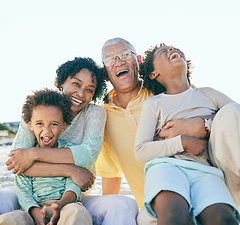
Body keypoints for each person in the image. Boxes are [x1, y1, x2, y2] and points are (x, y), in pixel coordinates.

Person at [96, 37, 240, 224]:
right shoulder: (104, 116)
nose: (119, 61)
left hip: (203, 174)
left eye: (125, 55)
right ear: (105, 73)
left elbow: (227, 119)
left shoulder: (162, 91)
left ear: (138, 61)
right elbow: (111, 175)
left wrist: (203, 124)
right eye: (111, 59)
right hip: (157, 200)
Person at [1, 56, 138, 225]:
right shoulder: (37, 109)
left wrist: (33, 154)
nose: (81, 93)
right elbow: (16, 163)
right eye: (76, 83)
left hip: (73, 195)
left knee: (125, 204)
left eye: (89, 89)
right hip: (32, 192)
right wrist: (71, 170)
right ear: (62, 82)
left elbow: (86, 155)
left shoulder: (94, 113)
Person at [0, 88, 93, 225]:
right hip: (32, 208)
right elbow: (23, 190)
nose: (46, 131)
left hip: (65, 205)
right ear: (31, 125)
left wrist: (59, 205)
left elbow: (73, 186)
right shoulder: (25, 156)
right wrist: (34, 211)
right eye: (39, 124)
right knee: (10, 219)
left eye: (54, 124)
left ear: (63, 127)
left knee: (78, 213)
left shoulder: (69, 151)